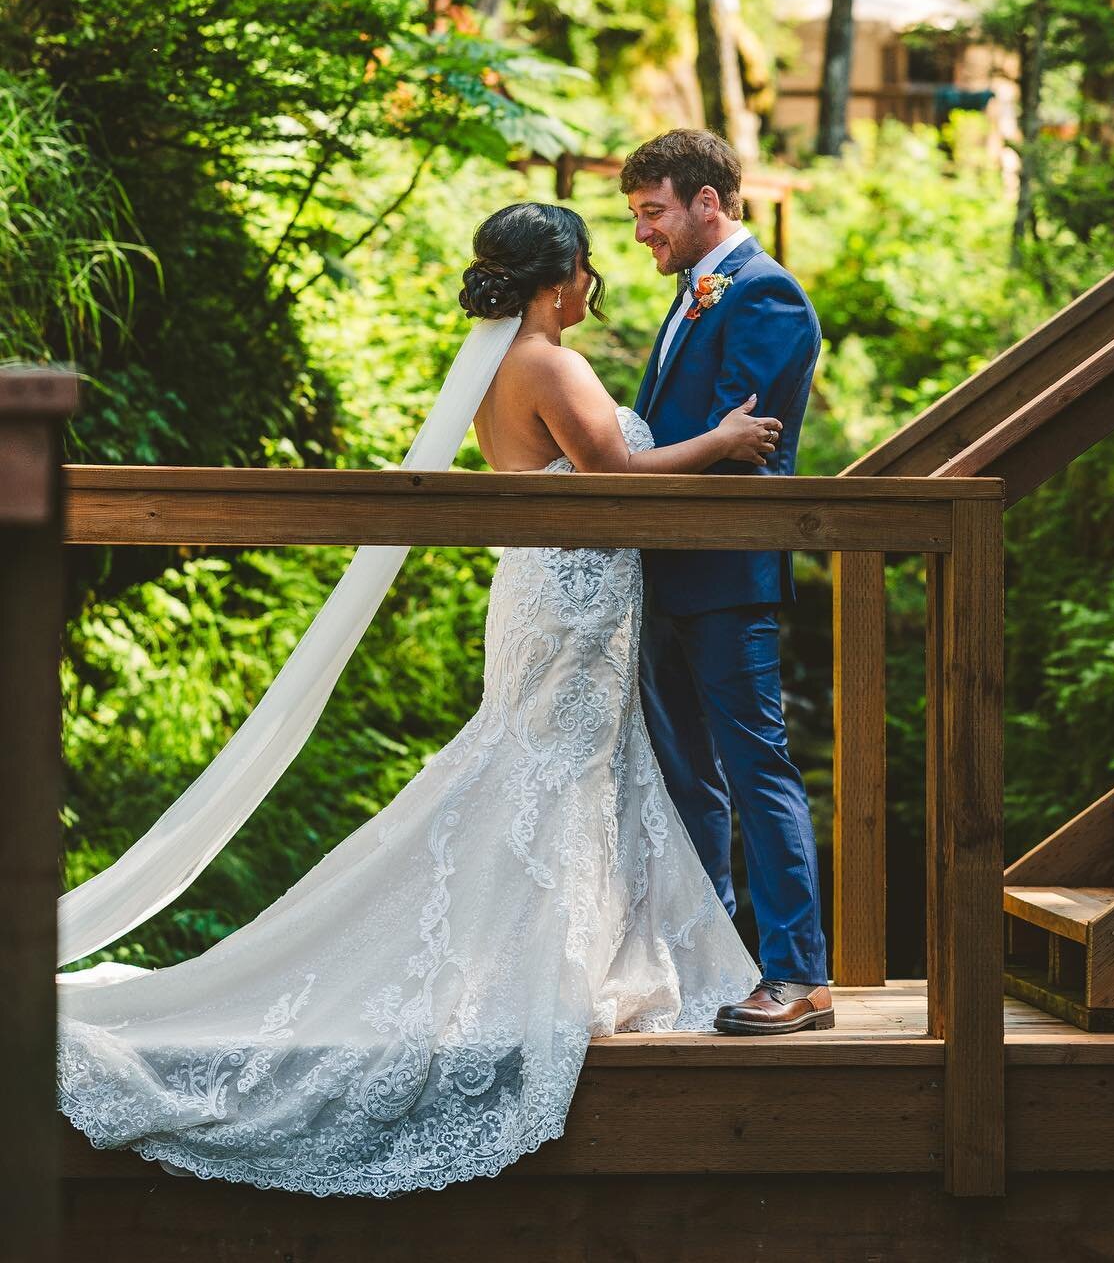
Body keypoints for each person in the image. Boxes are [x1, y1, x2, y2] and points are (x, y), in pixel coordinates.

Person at [56, 202, 775, 1195]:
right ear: (557, 275)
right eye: (587, 267)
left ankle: (577, 952)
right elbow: (618, 475)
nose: (592, 283)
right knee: (550, 771)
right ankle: (546, 969)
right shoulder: (550, 365)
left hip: (549, 587)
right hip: (575, 590)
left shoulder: (492, 367)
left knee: (547, 764)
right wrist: (725, 440)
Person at [623, 129, 831, 1035]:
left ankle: (797, 975)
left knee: (757, 769)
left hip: (728, 571)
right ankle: (709, 959)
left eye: (652, 212)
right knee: (686, 780)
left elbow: (739, 435)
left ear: (709, 203)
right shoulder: (690, 298)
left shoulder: (769, 295)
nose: (642, 233)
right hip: (666, 570)